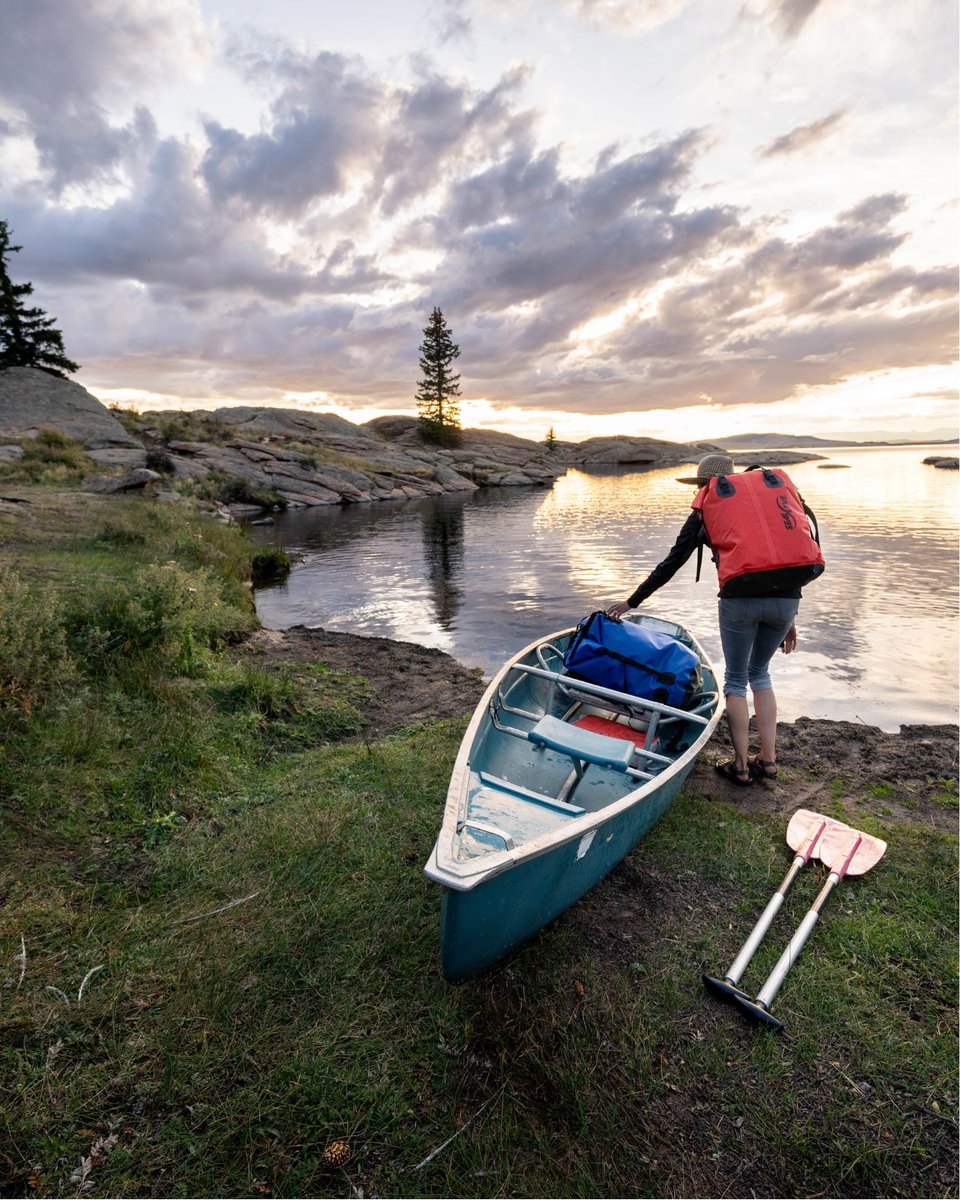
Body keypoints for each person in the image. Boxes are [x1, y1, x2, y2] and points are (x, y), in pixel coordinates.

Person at [605, 452, 799, 788]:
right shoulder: (761, 505)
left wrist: (631, 601)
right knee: (761, 674)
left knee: (737, 680)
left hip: (739, 600)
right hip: (787, 599)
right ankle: (768, 759)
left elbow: (671, 563)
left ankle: (740, 766)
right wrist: (790, 617)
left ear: (701, 484)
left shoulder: (706, 511)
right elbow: (786, 555)